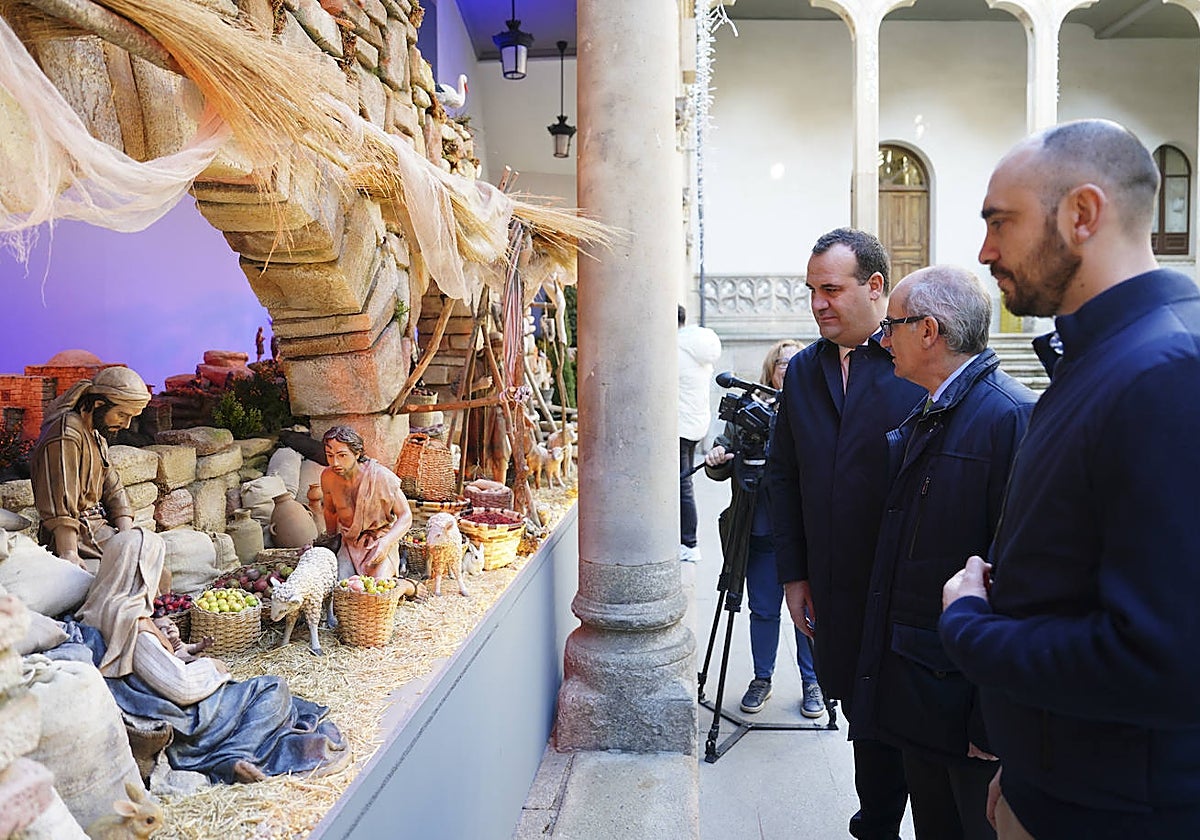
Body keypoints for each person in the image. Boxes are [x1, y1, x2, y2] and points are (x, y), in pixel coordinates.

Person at [938, 119, 1200, 840]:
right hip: (1060, 788)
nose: (985, 251)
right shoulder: (1105, 357)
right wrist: (1024, 767)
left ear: (1082, 214)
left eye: (1000, 222)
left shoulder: (1166, 369)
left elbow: (1162, 660)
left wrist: (968, 623)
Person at [852, 266, 1036, 840]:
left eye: (893, 327)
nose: (884, 341)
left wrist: (992, 718)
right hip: (921, 690)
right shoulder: (934, 408)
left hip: (964, 708)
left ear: (928, 330)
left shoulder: (1009, 416)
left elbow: (1020, 578)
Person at [766, 228, 923, 840]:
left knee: (911, 720)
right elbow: (785, 475)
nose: (818, 304)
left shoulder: (917, 363)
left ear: (876, 288)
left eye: (831, 289)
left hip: (907, 588)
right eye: (812, 292)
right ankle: (875, 822)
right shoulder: (804, 371)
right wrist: (794, 574)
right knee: (860, 711)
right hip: (835, 587)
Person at [74, 527, 347, 784]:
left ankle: (238, 748)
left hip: (163, 701)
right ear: (143, 572)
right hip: (187, 718)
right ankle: (234, 755)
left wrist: (183, 654)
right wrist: (212, 666)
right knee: (274, 689)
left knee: (263, 695)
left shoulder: (94, 612)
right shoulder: (134, 626)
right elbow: (182, 687)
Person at [704, 339, 825, 717]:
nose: (787, 369)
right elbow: (721, 463)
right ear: (769, 370)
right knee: (763, 609)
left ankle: (812, 683)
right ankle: (762, 679)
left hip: (803, 534)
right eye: (781, 363)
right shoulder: (747, 411)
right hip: (756, 531)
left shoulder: (813, 409)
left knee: (807, 610)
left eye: (794, 363)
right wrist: (716, 459)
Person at [30, 365, 151, 569]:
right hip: (80, 534)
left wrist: (126, 534)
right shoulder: (67, 434)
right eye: (122, 414)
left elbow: (114, 489)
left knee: (151, 554)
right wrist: (69, 552)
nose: (127, 424)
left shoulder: (96, 436)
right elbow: (60, 497)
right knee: (146, 569)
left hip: (99, 527)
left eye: (131, 417)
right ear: (98, 404)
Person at [320, 425, 413, 580]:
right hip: (349, 544)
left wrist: (386, 542)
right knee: (339, 587)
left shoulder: (381, 477)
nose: (335, 462)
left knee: (377, 588)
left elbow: (406, 515)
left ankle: (408, 586)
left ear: (357, 453)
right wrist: (331, 542)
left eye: (342, 455)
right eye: (329, 455)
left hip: (378, 542)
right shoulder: (328, 477)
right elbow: (330, 511)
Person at [678, 304, 722, 563]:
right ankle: (687, 541)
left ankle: (690, 543)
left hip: (679, 425)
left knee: (682, 485)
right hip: (696, 423)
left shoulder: (676, 350)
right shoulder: (698, 345)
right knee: (684, 483)